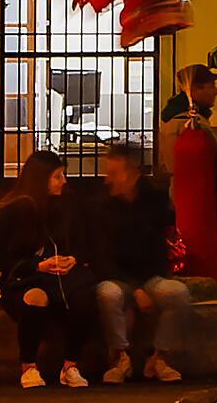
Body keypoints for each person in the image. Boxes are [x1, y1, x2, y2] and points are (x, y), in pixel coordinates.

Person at [0, 155, 91, 389]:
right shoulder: (14, 211)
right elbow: (6, 261)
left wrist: (72, 259)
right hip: (23, 280)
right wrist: (38, 265)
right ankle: (28, 366)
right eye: (57, 176)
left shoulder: (64, 207)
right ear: (41, 179)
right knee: (36, 297)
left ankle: (70, 365)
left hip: (59, 279)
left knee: (83, 296)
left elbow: (80, 244)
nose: (63, 181)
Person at [78, 144, 192, 384]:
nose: (107, 180)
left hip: (150, 276)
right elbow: (101, 257)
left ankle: (159, 356)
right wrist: (136, 289)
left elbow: (158, 248)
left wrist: (149, 282)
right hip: (115, 277)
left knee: (178, 293)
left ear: (133, 174)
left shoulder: (154, 201)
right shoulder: (99, 206)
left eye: (113, 173)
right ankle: (121, 356)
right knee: (108, 294)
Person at [161, 75, 217, 271]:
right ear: (195, 90)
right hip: (196, 195)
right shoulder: (192, 124)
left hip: (182, 192)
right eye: (211, 86)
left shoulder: (173, 121)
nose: (216, 92)